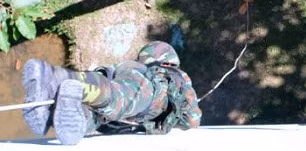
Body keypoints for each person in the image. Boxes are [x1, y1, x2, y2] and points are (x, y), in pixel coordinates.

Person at [22, 41, 202, 145]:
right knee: (119, 98)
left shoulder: (139, 70)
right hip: (146, 94)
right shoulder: (175, 76)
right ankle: (53, 76)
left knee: (97, 114)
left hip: (124, 102)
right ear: (170, 61)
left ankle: (49, 114)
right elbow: (193, 120)